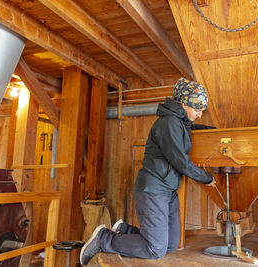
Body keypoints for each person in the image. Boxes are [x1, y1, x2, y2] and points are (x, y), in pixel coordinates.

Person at [80, 78, 216, 265]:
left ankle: (124, 230)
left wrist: (218, 132)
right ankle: (103, 239)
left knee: (170, 245)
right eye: (197, 109)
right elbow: (180, 161)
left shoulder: (180, 123)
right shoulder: (169, 123)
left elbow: (192, 129)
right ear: (184, 104)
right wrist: (206, 178)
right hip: (153, 189)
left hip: (167, 191)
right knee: (156, 249)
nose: (200, 114)